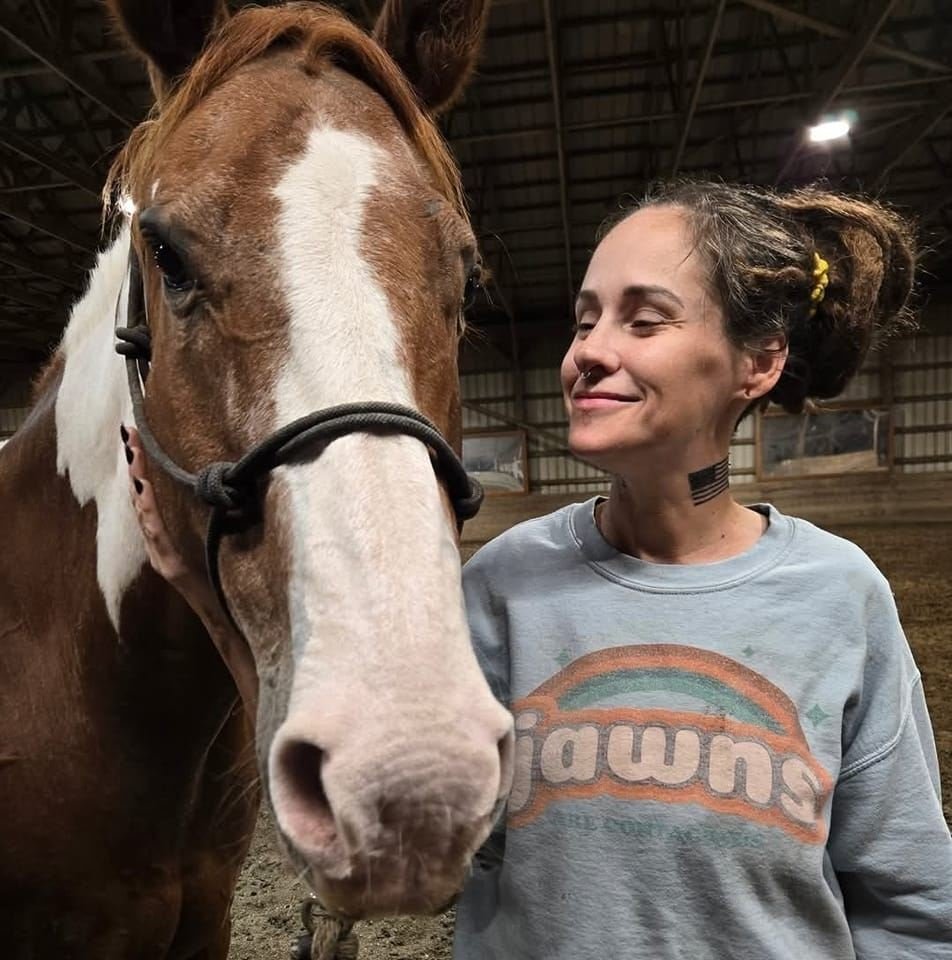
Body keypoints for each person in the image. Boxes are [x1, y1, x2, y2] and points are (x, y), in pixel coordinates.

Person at [124, 179, 952, 959]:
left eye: (644, 320)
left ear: (757, 363)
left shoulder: (841, 595)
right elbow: (405, 840)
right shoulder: (506, 582)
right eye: (585, 320)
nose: (589, 352)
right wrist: (205, 597)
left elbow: (907, 900)